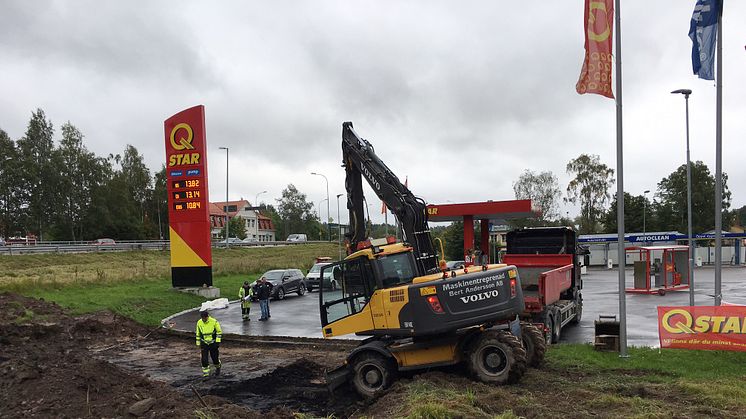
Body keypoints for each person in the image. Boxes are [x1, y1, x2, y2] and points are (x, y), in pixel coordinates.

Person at [196, 309, 222, 377]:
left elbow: (219, 332)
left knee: (215, 358)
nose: (204, 319)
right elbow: (198, 334)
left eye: (205, 318)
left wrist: (217, 342)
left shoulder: (214, 322)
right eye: (202, 318)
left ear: (207, 316)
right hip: (204, 344)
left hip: (213, 344)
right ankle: (206, 374)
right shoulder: (199, 322)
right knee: (204, 359)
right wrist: (198, 343)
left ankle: (218, 367)